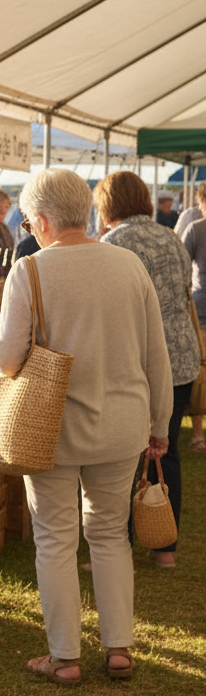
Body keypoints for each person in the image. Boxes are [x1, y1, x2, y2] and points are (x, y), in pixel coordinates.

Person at [0, 169, 172, 684]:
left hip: (51, 427)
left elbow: (5, 360)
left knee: (55, 538)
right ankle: (118, 649)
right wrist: (159, 424)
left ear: (42, 220)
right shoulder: (129, 265)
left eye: (28, 220)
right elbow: (156, 356)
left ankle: (64, 656)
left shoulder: (28, 271)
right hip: (123, 423)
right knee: (111, 534)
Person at [98, 171, 199, 567]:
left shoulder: (113, 243)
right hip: (182, 359)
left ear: (108, 205)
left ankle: (117, 542)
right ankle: (164, 549)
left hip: (137, 362)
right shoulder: (171, 236)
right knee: (166, 451)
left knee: (123, 454)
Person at [179, 212, 206, 453]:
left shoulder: (196, 228)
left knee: (200, 374)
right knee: (200, 373)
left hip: (201, 309)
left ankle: (198, 434)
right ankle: (197, 433)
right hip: (202, 310)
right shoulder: (196, 229)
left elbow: (180, 267)